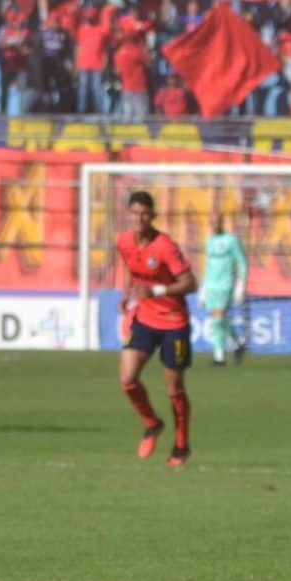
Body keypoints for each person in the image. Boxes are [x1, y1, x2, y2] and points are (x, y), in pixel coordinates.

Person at [114, 190, 196, 465]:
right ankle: (152, 423)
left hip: (174, 323)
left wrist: (156, 290)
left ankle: (181, 445)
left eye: (145, 213)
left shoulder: (165, 247)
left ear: (153, 216)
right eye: (135, 213)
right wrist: (127, 294)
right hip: (145, 319)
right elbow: (129, 266)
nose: (139, 218)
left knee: (174, 388)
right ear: (129, 214)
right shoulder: (124, 242)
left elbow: (190, 283)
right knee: (127, 379)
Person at [200, 215, 248, 366]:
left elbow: (242, 262)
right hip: (211, 285)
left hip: (225, 284)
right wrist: (203, 287)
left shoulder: (231, 240)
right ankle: (237, 344)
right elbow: (207, 264)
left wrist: (241, 285)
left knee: (219, 317)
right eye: (212, 222)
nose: (214, 225)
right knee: (216, 321)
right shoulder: (209, 241)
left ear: (221, 222)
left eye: (217, 222)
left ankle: (219, 357)